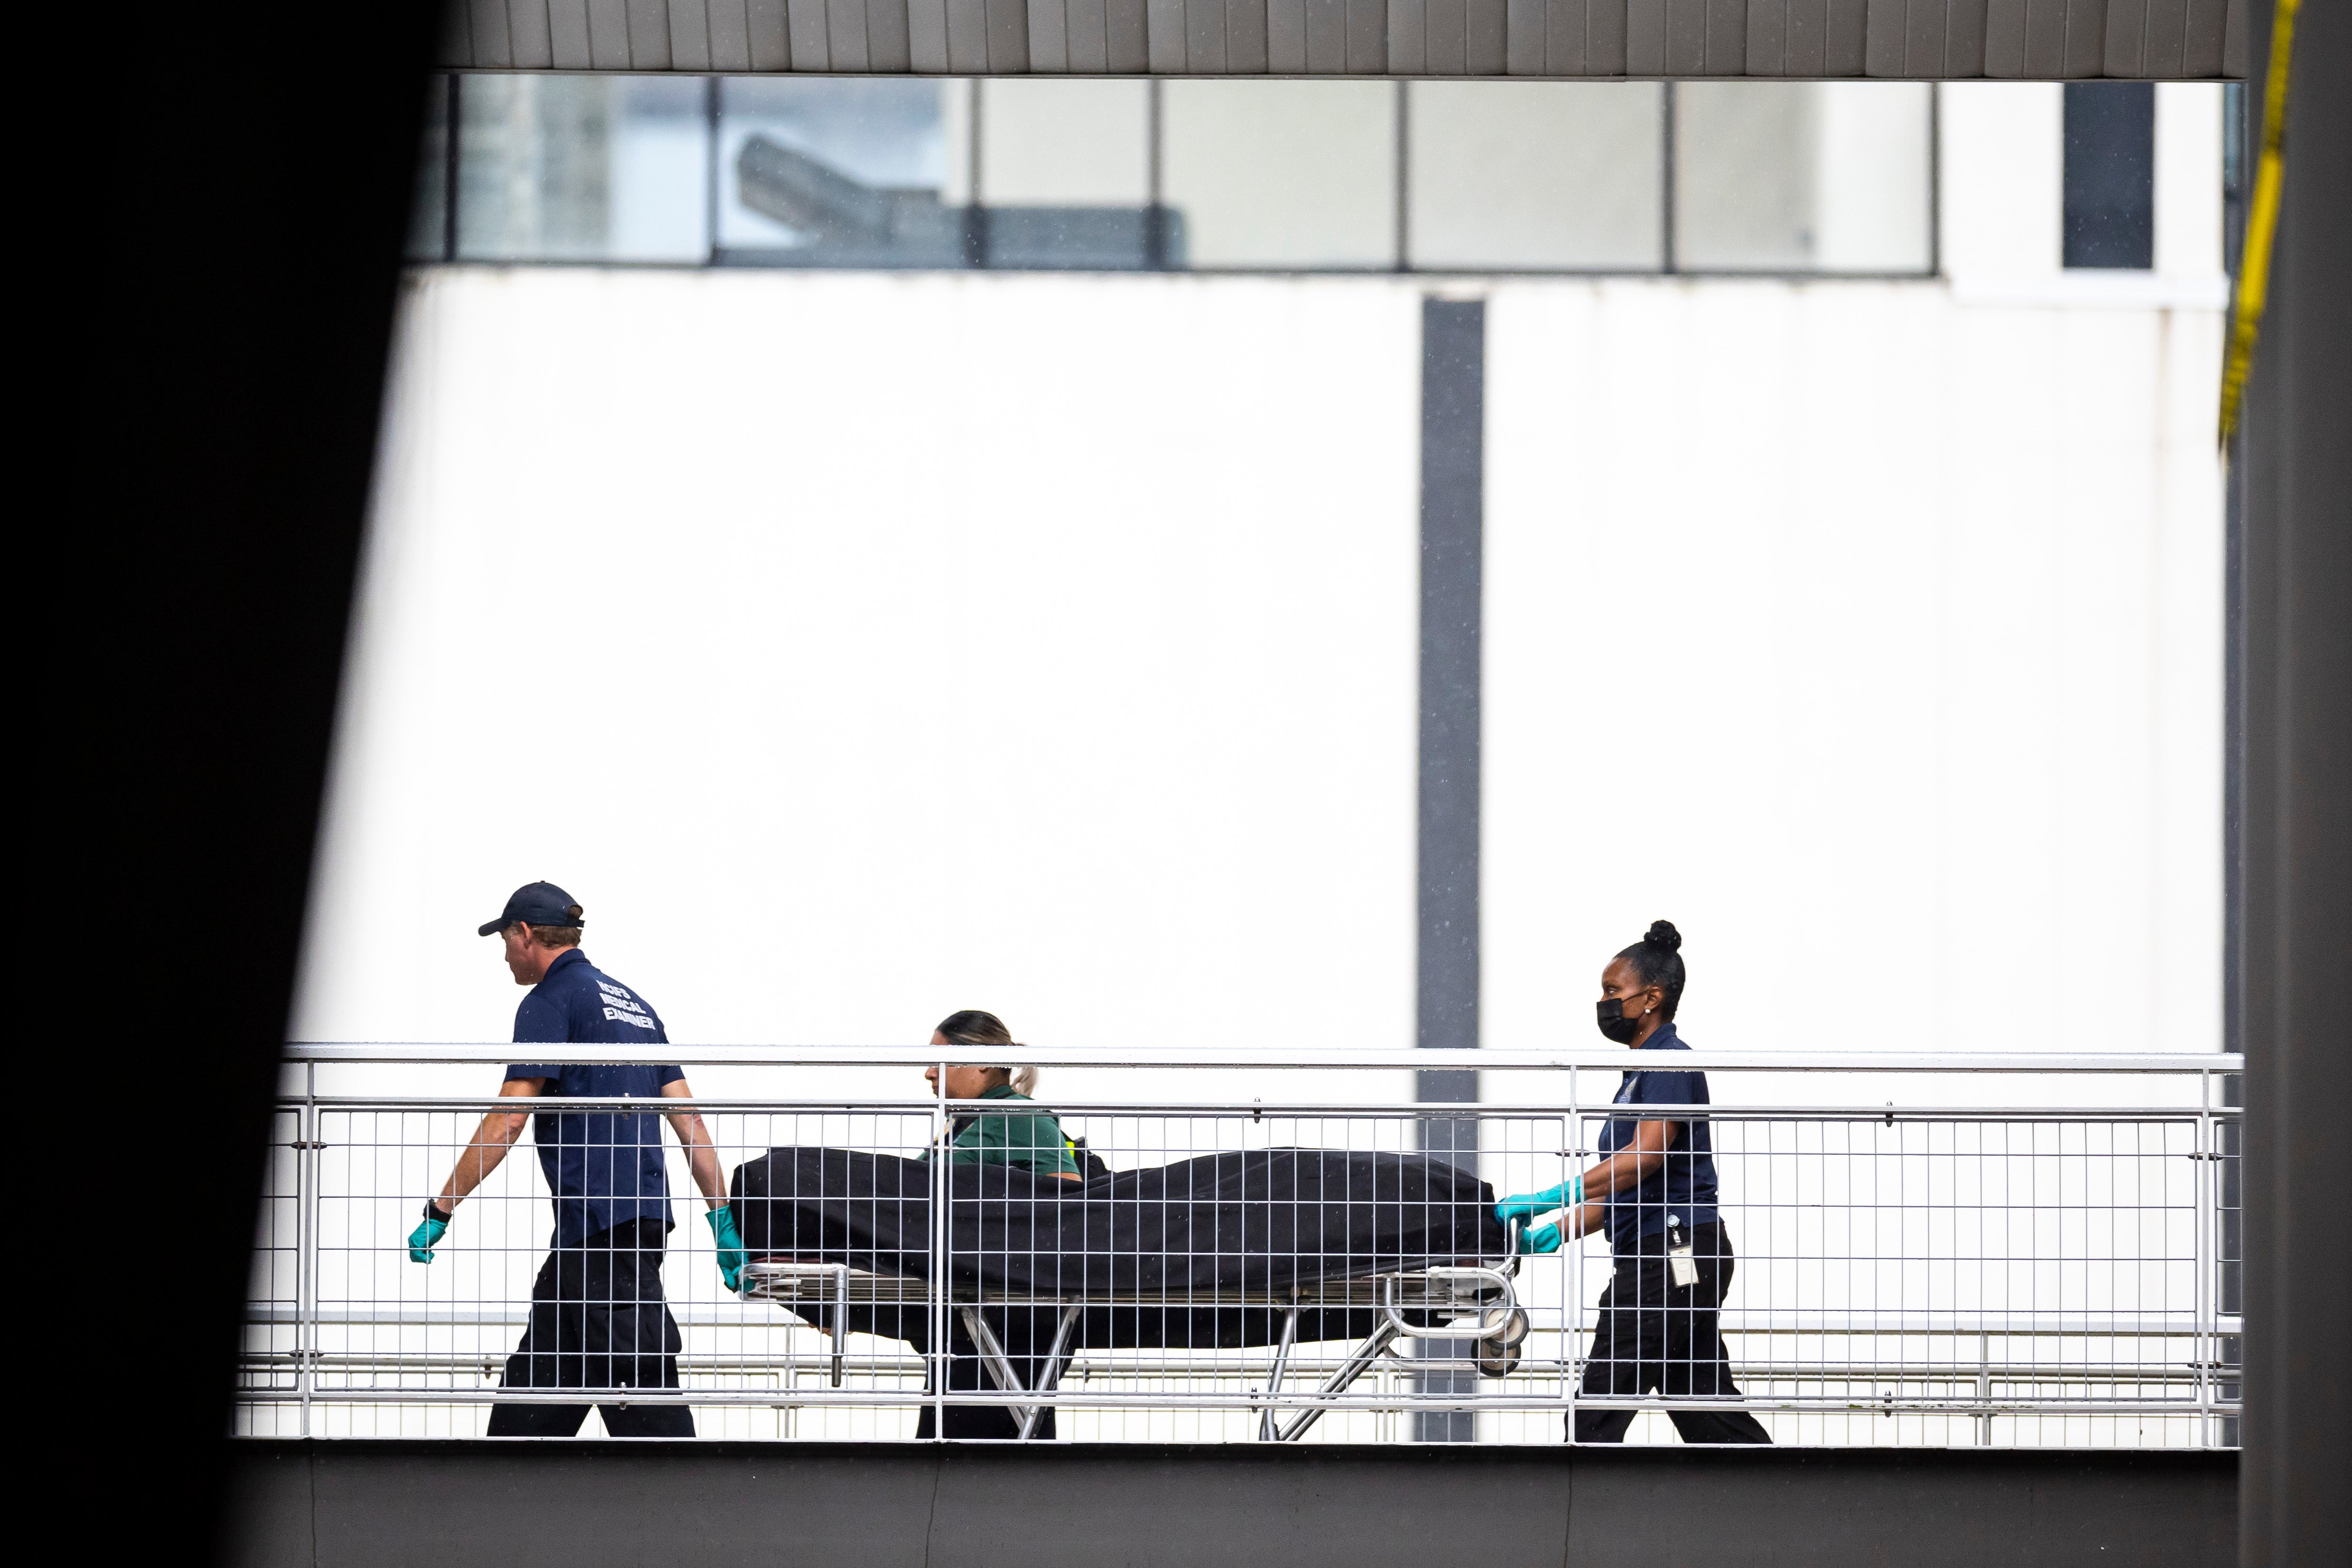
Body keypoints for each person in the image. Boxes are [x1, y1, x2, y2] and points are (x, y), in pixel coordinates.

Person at [405, 881, 748, 1437]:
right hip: (617, 1224)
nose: (505, 955)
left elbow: (509, 1117)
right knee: (542, 1379)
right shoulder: (637, 1007)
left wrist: (442, 1207)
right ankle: (504, 1490)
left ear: (525, 934)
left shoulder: (548, 1002)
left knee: (639, 1380)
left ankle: (683, 1498)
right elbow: (691, 1122)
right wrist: (721, 1219)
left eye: (505, 940)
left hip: (600, 1226)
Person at [1493, 920, 1772, 1445]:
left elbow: (1641, 1159)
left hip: (1673, 1251)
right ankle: (1785, 1505)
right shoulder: (1638, 1074)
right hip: (1667, 1252)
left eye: (1611, 992)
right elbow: (1623, 1189)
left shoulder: (1669, 1061)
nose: (1603, 1003)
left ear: (1651, 998)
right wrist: (1555, 1228)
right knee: (1702, 1405)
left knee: (1597, 1407)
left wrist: (1552, 1195)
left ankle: (1573, 1512)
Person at [914, 1009, 1081, 1440]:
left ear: (983, 1061)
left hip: (1010, 1318)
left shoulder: (1021, 1117)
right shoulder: (961, 1127)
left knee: (991, 1450)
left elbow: (1067, 1192)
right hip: (967, 1313)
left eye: (940, 1059)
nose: (929, 1073)